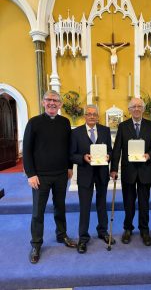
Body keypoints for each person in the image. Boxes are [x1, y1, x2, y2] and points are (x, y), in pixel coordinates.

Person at [23, 90, 76, 264]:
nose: (52, 103)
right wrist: (31, 174)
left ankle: (62, 235)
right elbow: (27, 150)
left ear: (60, 104)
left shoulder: (65, 122)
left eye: (55, 100)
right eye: (49, 100)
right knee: (38, 212)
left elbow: (69, 147)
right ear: (43, 102)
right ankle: (36, 244)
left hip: (61, 174)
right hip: (40, 177)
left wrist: (69, 167)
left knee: (60, 207)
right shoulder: (34, 122)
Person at [110, 98, 151, 246]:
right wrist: (113, 169)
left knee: (144, 203)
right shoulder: (123, 126)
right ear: (129, 109)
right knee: (128, 203)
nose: (137, 109)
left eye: (139, 106)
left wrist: (148, 155)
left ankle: (144, 230)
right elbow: (117, 149)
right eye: (133, 106)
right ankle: (128, 229)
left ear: (143, 109)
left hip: (145, 171)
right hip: (128, 171)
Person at [70, 104, 115, 254]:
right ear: (84, 116)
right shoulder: (76, 133)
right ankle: (83, 238)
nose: (92, 116)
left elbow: (110, 149)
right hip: (85, 174)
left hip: (102, 173)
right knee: (85, 206)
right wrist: (83, 157)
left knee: (102, 204)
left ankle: (102, 231)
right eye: (89, 114)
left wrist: (108, 156)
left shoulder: (105, 130)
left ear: (98, 116)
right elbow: (71, 155)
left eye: (94, 114)